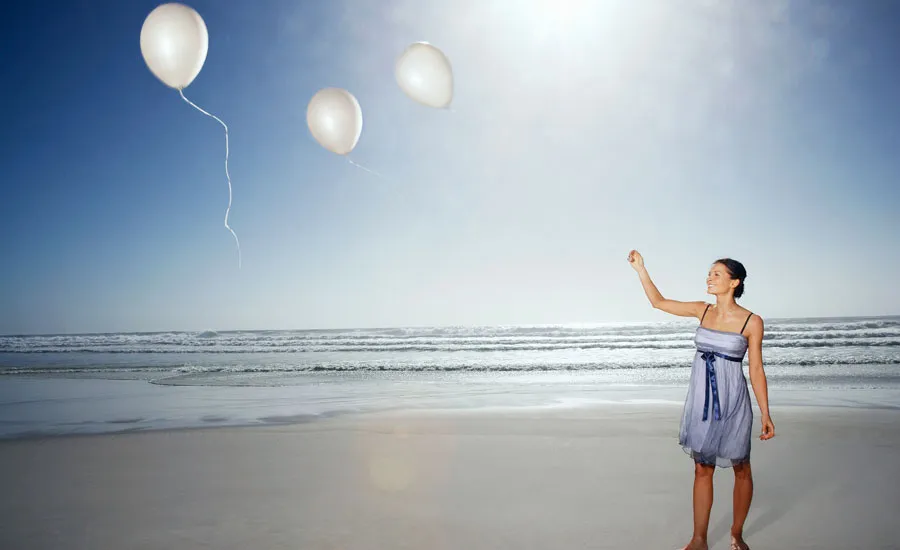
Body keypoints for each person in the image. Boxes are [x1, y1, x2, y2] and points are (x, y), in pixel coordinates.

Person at [627, 250, 774, 550]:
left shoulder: (751, 321)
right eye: (710, 273)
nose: (709, 277)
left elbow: (756, 369)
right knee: (701, 467)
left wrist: (766, 414)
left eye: (716, 274)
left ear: (735, 282)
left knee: (741, 466)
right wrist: (641, 269)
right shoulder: (702, 310)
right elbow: (659, 302)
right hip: (701, 400)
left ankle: (737, 533)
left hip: (733, 400)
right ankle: (699, 539)